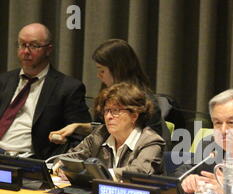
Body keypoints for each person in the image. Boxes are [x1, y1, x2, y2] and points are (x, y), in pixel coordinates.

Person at [48, 39, 171, 149]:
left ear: (118, 69)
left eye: (102, 70)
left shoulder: (145, 102)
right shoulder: (109, 95)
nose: (99, 75)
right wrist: (77, 127)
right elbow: (104, 129)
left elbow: (153, 144)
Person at [0, 23, 91, 159]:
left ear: (48, 50)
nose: (26, 51)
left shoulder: (68, 88)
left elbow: (80, 137)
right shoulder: (4, 80)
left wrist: (57, 158)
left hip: (32, 162)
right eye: (22, 44)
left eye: (34, 46)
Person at [54, 82, 165, 181]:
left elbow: (139, 172)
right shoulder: (100, 134)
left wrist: (96, 174)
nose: (108, 116)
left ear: (134, 115)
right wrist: (61, 166)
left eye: (115, 111)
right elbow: (69, 158)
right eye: (106, 111)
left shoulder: (151, 141)